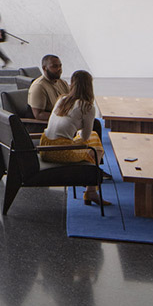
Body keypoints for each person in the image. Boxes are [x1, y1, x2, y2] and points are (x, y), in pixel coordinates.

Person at [40, 70, 109, 207]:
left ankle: (91, 191)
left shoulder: (62, 99)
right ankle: (91, 191)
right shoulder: (87, 106)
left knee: (94, 140)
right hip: (61, 151)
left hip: (45, 146)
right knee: (96, 147)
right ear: (89, 86)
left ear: (72, 84)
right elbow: (85, 136)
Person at [28, 54, 70, 121]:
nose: (59, 69)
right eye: (55, 66)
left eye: (60, 66)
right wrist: (64, 117)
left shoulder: (63, 83)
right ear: (45, 68)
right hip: (48, 125)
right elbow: (38, 115)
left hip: (65, 121)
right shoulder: (39, 86)